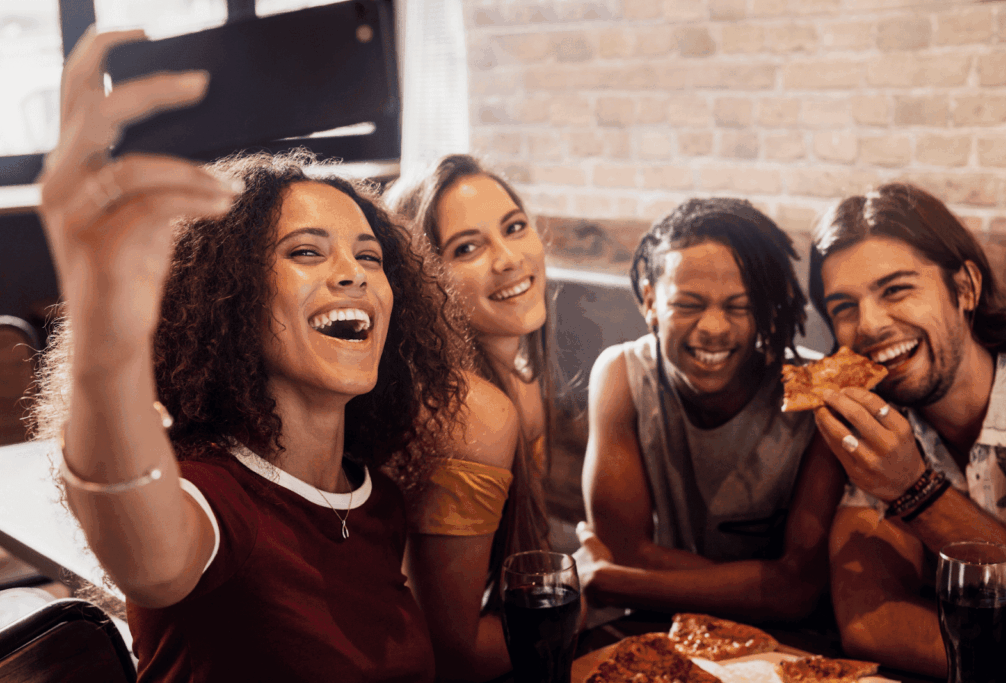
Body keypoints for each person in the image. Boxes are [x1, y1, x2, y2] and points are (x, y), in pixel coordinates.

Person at [31, 28, 466, 682]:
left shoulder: (378, 501)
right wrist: (104, 325)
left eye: (369, 256)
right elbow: (146, 554)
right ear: (230, 300)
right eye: (307, 251)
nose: (353, 274)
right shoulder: (217, 498)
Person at [576, 198, 845, 623]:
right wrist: (763, 587)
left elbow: (799, 589)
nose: (714, 328)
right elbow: (622, 548)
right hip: (661, 635)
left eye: (739, 306)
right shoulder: (622, 375)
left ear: (768, 312)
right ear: (650, 302)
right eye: (688, 304)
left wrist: (623, 583)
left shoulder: (817, 394)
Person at [808, 182, 1006, 676]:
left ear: (965, 288)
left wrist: (914, 490)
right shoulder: (874, 427)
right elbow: (871, 623)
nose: (869, 325)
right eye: (844, 307)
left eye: (896, 290)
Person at [385, 155, 552, 680]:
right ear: (421, 281)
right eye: (467, 248)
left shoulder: (521, 382)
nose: (507, 259)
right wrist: (582, 602)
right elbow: (450, 655)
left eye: (515, 227)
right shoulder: (465, 412)